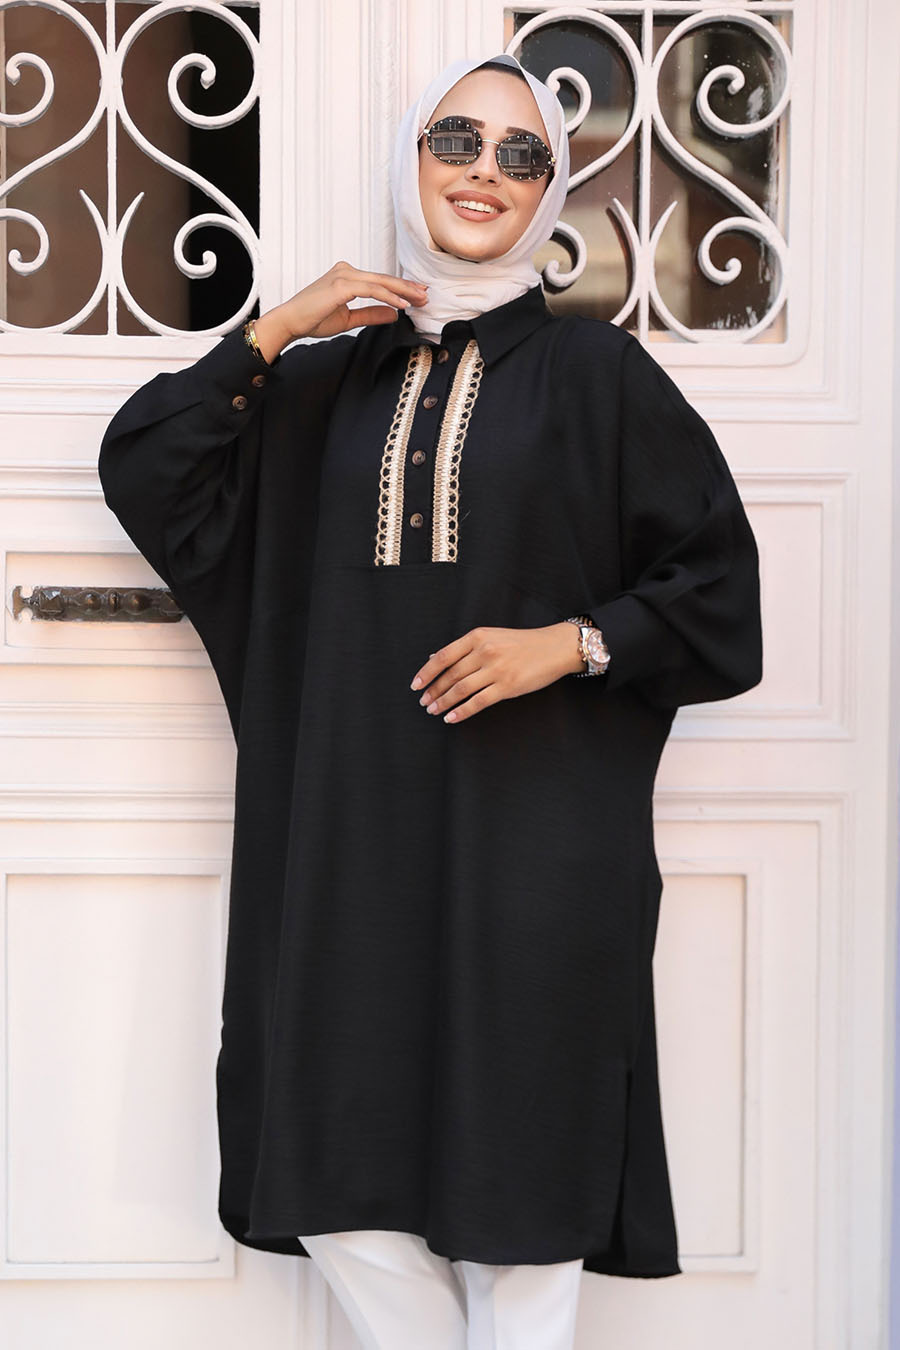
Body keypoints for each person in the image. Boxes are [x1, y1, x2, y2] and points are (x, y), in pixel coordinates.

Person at [98, 50, 762, 1350]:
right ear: (412, 160)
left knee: (526, 1191)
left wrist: (569, 643)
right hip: (345, 841)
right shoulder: (321, 385)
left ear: (550, 192)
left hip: (538, 848)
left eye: (522, 155)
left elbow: (720, 592)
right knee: (339, 1178)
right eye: (456, 140)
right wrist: (274, 330)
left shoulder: (597, 378)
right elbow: (151, 472)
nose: (484, 172)